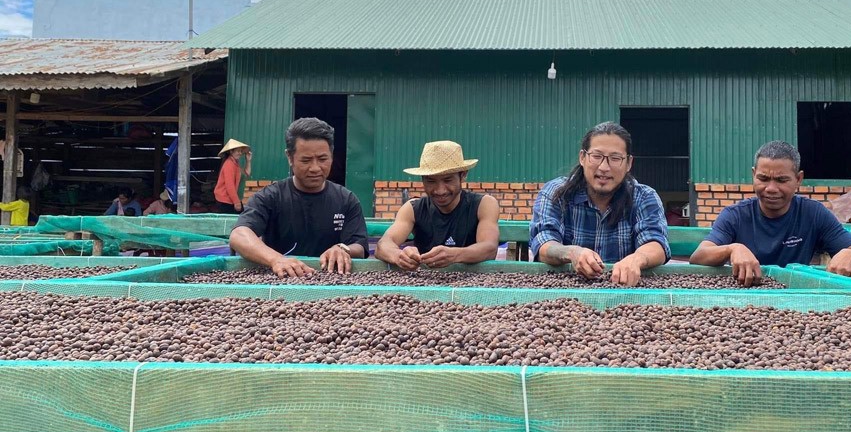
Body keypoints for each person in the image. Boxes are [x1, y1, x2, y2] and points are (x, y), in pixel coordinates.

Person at [689, 140, 851, 286]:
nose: (771, 188)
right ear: (754, 174)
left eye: (781, 180)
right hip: (743, 295)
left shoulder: (813, 214)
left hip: (796, 297)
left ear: (798, 179)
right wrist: (732, 249)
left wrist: (850, 254)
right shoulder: (735, 215)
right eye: (763, 178)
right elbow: (699, 256)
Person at [530, 122, 670, 287]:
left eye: (615, 158)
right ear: (583, 157)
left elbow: (656, 243)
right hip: (566, 290)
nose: (604, 167)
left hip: (625, 290)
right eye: (596, 156)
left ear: (628, 163)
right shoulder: (556, 193)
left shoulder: (644, 197)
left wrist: (637, 259)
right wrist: (571, 252)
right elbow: (544, 243)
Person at [229, 118, 368, 278]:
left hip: (332, 281)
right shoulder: (270, 197)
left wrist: (343, 248)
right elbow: (239, 234)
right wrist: (276, 260)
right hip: (280, 281)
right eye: (306, 160)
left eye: (323, 159)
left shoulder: (346, 200)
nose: (315, 168)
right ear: (289, 157)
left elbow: (359, 245)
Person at [376, 141, 500, 270]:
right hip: (424, 283)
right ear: (422, 179)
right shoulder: (412, 208)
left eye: (448, 180)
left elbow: (489, 248)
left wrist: (455, 255)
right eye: (431, 181)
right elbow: (383, 245)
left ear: (463, 175)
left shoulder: (484, 204)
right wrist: (399, 255)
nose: (440, 190)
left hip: (474, 283)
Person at [214, 138, 252, 213]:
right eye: (238, 151)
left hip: (233, 199)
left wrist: (248, 161)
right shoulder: (229, 164)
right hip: (226, 201)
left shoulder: (235, 164)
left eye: (241, 151)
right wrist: (236, 202)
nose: (240, 153)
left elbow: (246, 174)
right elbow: (229, 185)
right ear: (231, 151)